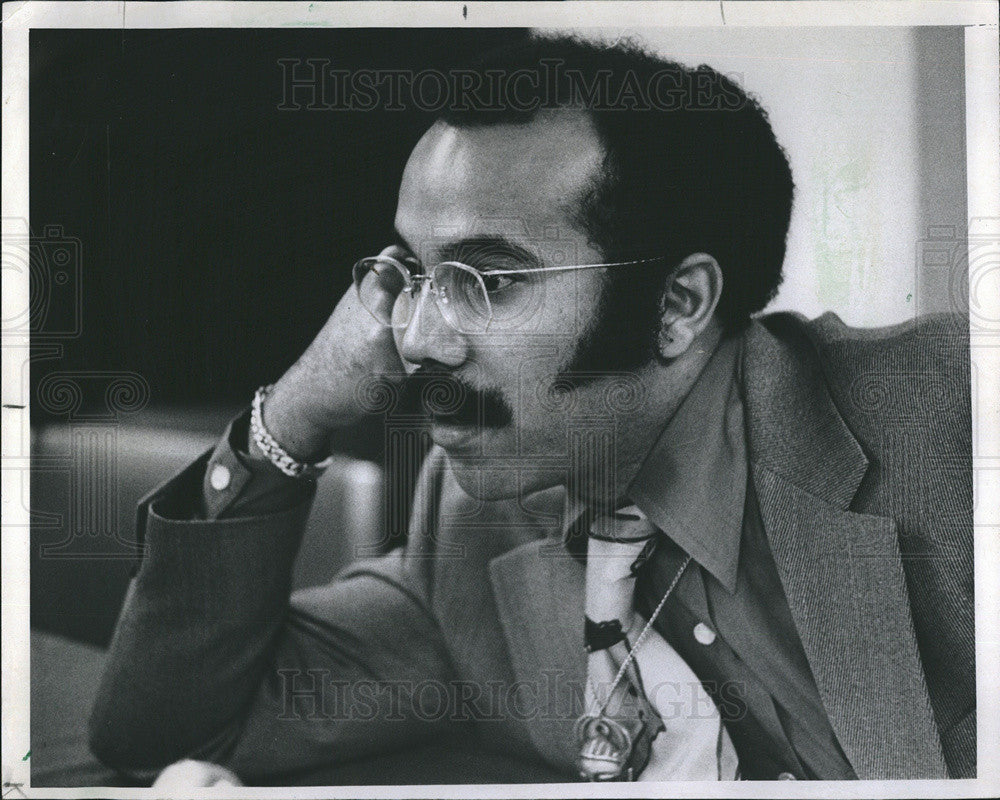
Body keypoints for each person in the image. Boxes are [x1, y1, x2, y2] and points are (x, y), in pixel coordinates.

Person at [88, 35, 974, 783]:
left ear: (678, 306)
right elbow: (168, 737)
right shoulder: (477, 524)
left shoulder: (954, 417)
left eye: (490, 280)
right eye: (412, 274)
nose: (417, 340)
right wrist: (292, 418)